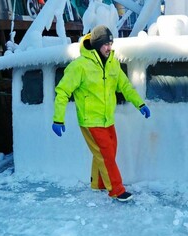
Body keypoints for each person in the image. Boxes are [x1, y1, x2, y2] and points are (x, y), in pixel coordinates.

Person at [52, 25, 151, 202]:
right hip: (90, 120)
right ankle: (116, 190)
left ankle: (98, 183)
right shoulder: (80, 66)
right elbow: (62, 91)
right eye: (105, 44)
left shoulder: (113, 63)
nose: (109, 47)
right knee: (106, 154)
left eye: (110, 43)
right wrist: (58, 119)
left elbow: (125, 86)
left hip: (107, 119)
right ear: (97, 44)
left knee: (108, 152)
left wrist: (140, 104)